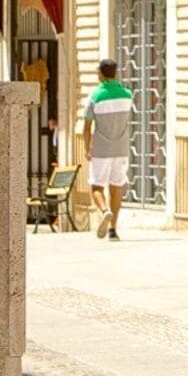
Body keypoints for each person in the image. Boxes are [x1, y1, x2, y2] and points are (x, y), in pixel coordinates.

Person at [80, 60, 134, 241]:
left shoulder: (94, 97)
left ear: (101, 74)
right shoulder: (127, 95)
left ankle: (105, 210)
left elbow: (86, 127)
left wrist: (87, 148)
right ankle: (113, 230)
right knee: (116, 187)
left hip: (102, 149)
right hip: (122, 148)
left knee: (96, 186)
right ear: (115, 73)